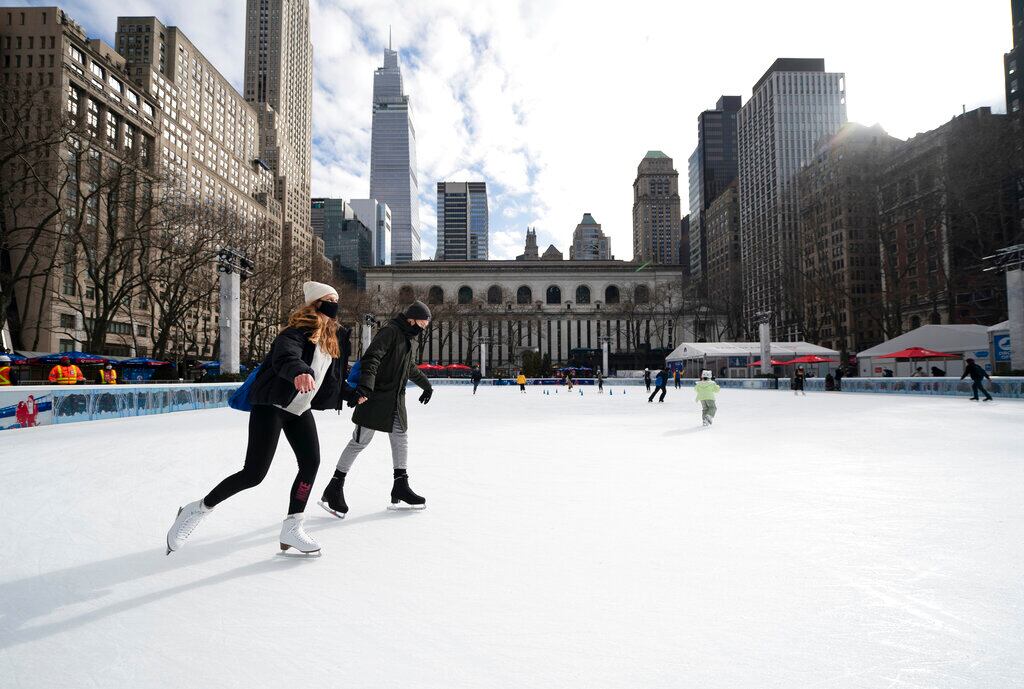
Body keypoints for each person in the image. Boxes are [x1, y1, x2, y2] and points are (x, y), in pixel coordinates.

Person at [166, 281, 359, 557]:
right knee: (254, 473)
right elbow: (286, 356)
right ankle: (196, 509)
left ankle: (292, 526)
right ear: (315, 303)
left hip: (299, 408)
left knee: (311, 463)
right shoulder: (295, 332)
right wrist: (300, 370)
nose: (334, 305)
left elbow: (334, 380)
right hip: (272, 403)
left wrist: (353, 394)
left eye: (336, 299)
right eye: (329, 299)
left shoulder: (334, 340)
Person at [319, 300, 434, 519]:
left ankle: (400, 485)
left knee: (400, 436)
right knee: (360, 441)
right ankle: (334, 486)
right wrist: (366, 388)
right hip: (375, 398)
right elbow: (372, 358)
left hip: (395, 401)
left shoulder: (407, 339)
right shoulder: (390, 332)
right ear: (413, 319)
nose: (424, 327)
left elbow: (409, 368)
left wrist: (426, 385)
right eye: (423, 322)